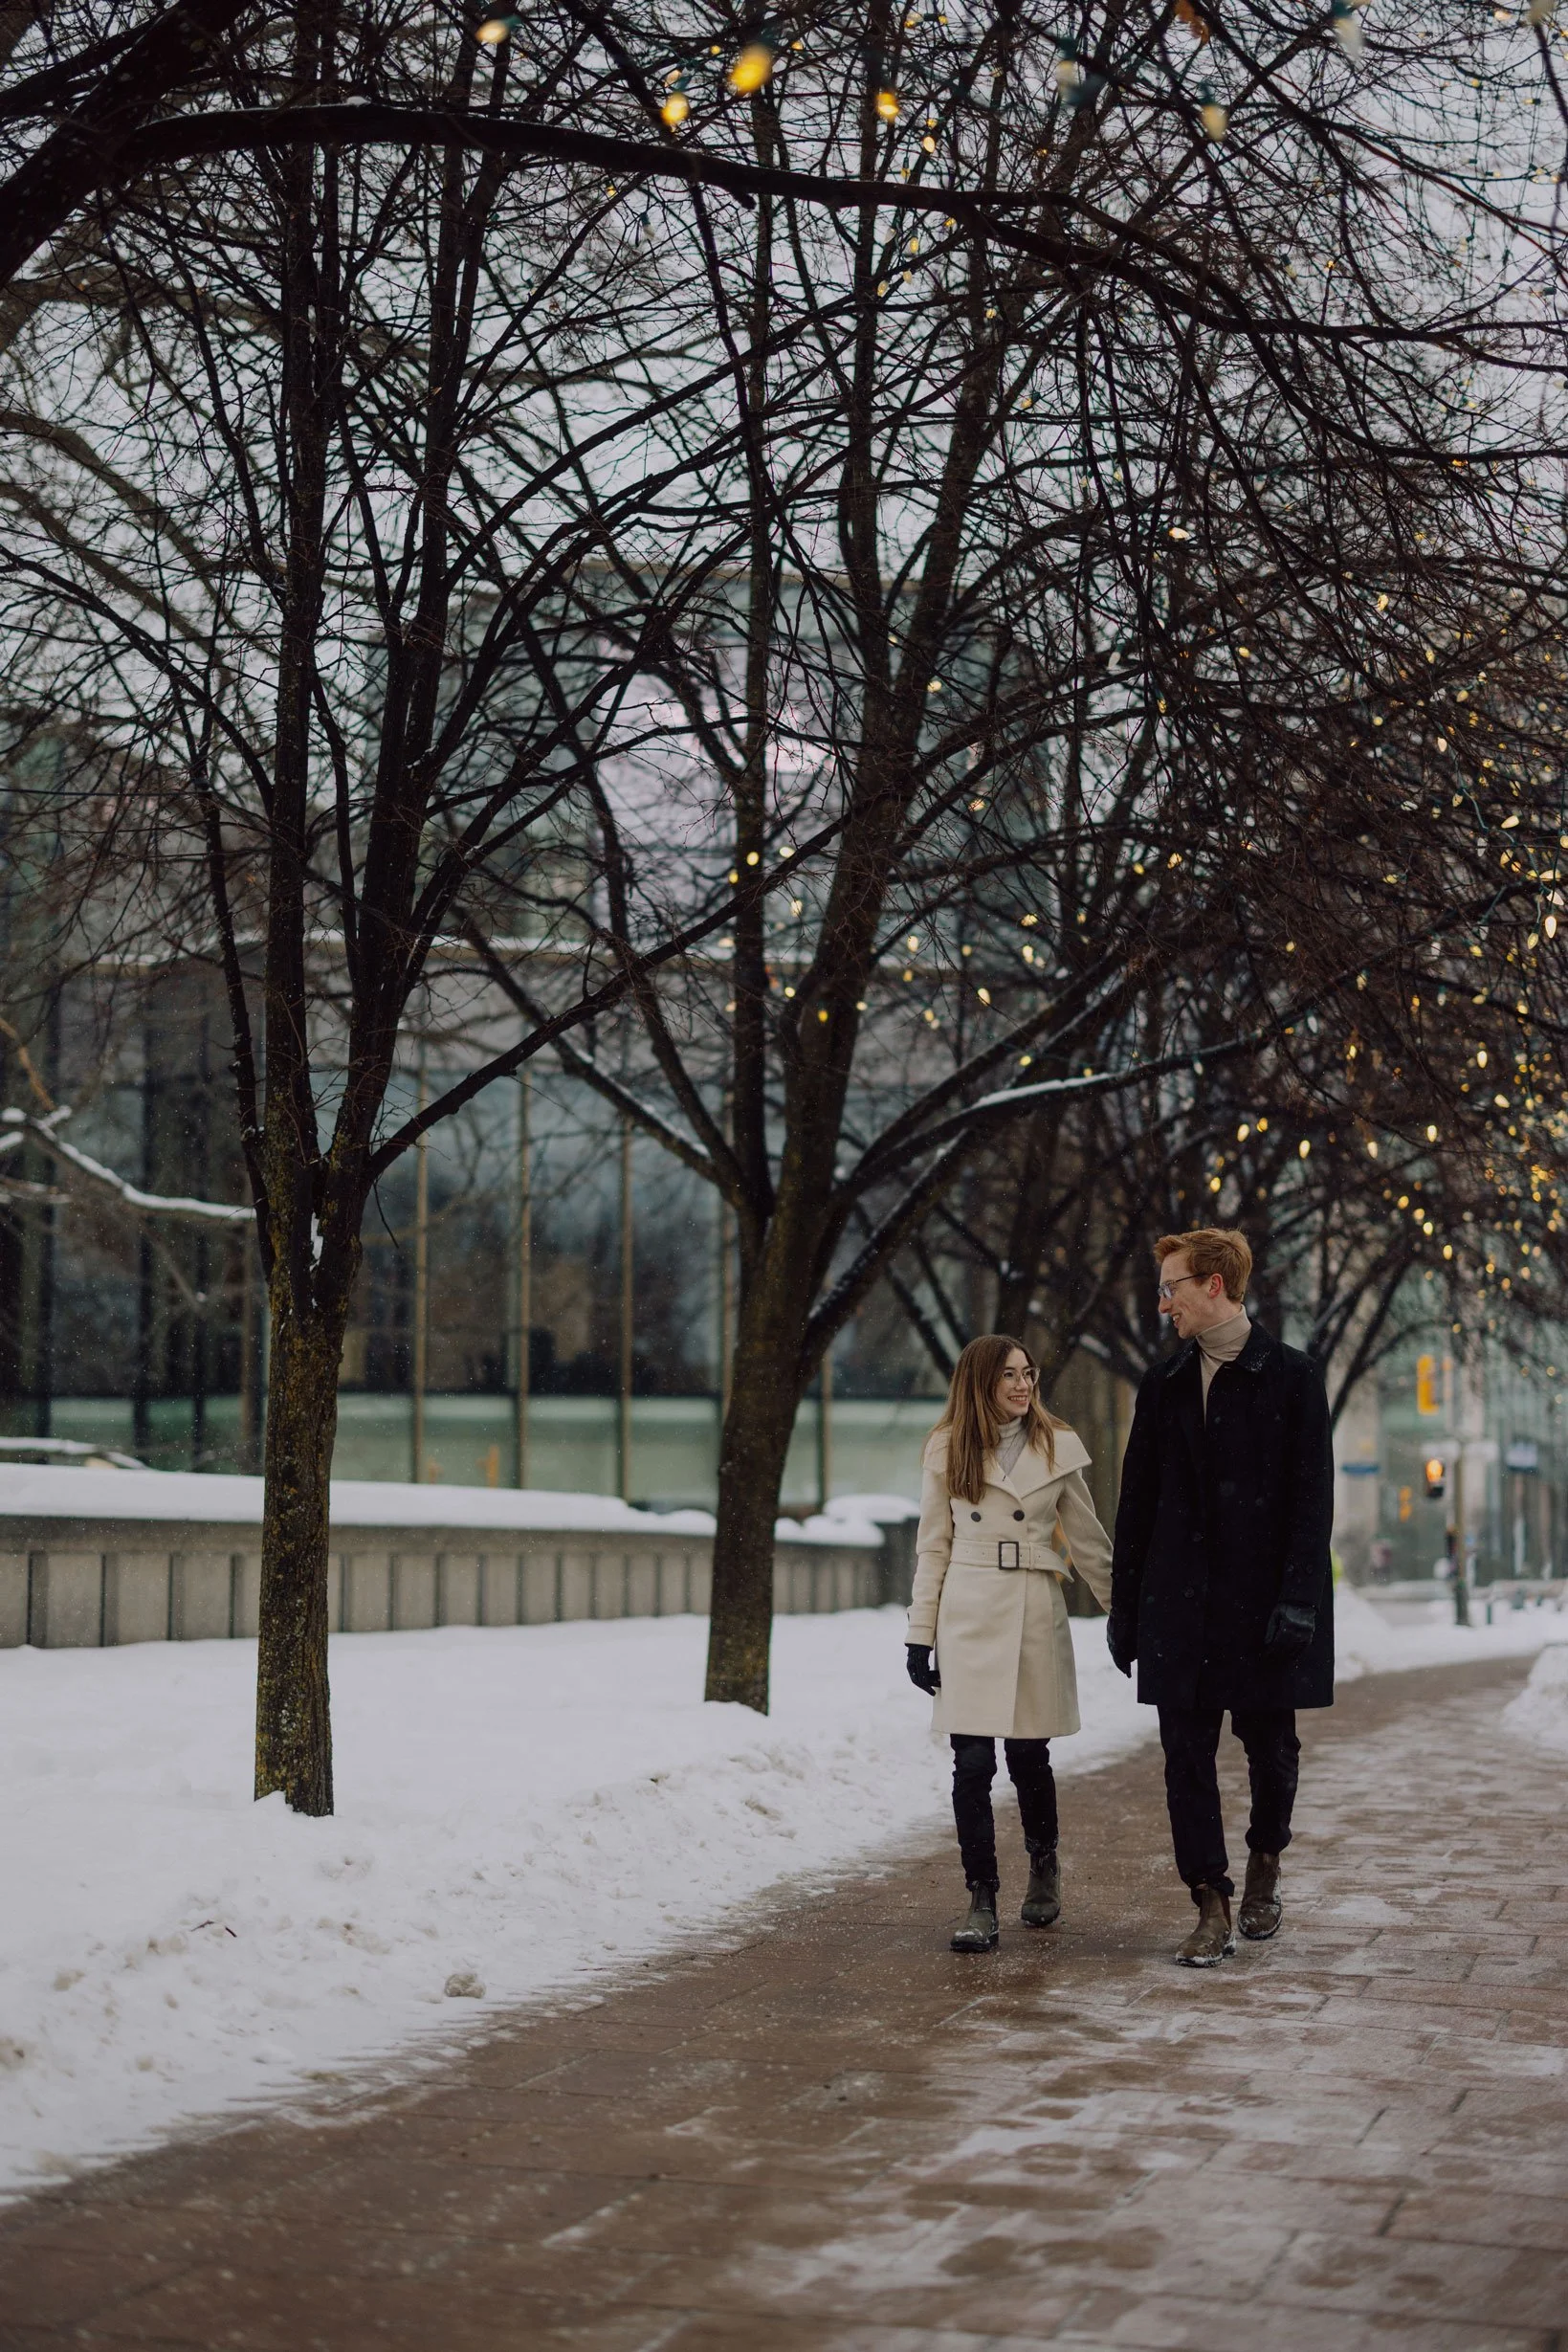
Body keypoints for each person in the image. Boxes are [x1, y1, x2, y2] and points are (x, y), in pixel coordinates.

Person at [1106, 1228, 1335, 1967]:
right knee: (1183, 1756)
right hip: (1178, 1604)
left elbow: (1311, 1500)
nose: (1162, 1301)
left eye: (1172, 1285)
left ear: (1214, 1285)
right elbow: (1135, 1502)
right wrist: (1123, 1605)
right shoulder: (1163, 1383)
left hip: (1262, 1606)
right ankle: (1209, 1899)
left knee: (1270, 1748)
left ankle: (1265, 1856)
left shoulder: (1292, 1376)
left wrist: (1298, 1599)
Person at [906, 1334, 1115, 1953]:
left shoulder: (1056, 1445)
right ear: (980, 1383)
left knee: (1028, 1758)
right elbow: (931, 1546)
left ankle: (1043, 1866)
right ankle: (980, 1897)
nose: (1023, 1386)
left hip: (1031, 1609)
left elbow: (1088, 1540)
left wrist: (1124, 1617)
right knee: (971, 1764)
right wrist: (919, 1635)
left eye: (1028, 1374)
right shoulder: (947, 1449)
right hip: (966, 1612)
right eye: (1008, 1377)